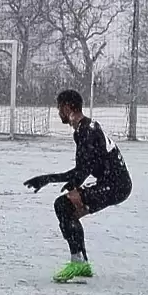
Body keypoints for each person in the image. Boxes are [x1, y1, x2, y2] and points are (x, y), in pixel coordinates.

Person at [24, 89, 132, 283]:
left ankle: (78, 262)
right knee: (68, 211)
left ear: (67, 107)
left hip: (116, 184)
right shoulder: (83, 129)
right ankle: (81, 263)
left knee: (63, 205)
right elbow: (82, 170)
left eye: (59, 108)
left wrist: (47, 179)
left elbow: (80, 173)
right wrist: (71, 183)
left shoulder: (87, 132)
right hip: (112, 182)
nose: (58, 113)